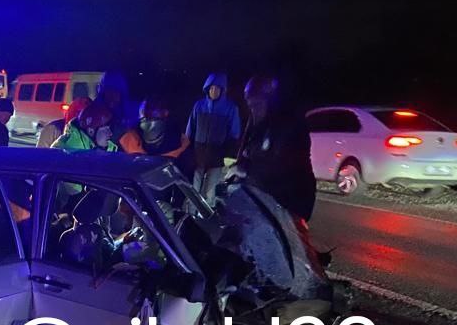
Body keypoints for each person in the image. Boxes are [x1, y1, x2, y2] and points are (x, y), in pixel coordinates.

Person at [236, 75, 316, 222]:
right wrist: (239, 166)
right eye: (250, 105)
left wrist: (247, 171)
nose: (253, 110)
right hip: (270, 198)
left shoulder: (287, 126)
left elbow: (276, 165)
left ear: (270, 102)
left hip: (292, 201)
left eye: (257, 104)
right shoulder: (260, 125)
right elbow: (247, 153)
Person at [185, 72, 241, 205]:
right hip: (199, 154)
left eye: (217, 88)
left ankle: (207, 215)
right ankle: (191, 214)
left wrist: (228, 157)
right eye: (211, 88)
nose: (213, 91)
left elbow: (235, 134)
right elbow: (190, 129)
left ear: (223, 90)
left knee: (210, 191)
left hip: (217, 156)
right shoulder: (199, 105)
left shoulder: (230, 108)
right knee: (193, 189)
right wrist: (188, 150)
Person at [119, 97, 189, 158]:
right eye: (142, 111)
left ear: (165, 112)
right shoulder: (129, 139)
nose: (144, 114)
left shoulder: (182, 144)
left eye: (151, 108)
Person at [52, 101, 118, 153]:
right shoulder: (66, 152)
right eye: (106, 129)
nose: (110, 133)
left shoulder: (106, 150)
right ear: (91, 131)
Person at [95, 70, 137, 146]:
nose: (111, 96)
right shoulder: (94, 112)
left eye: (115, 92)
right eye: (108, 91)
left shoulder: (131, 112)